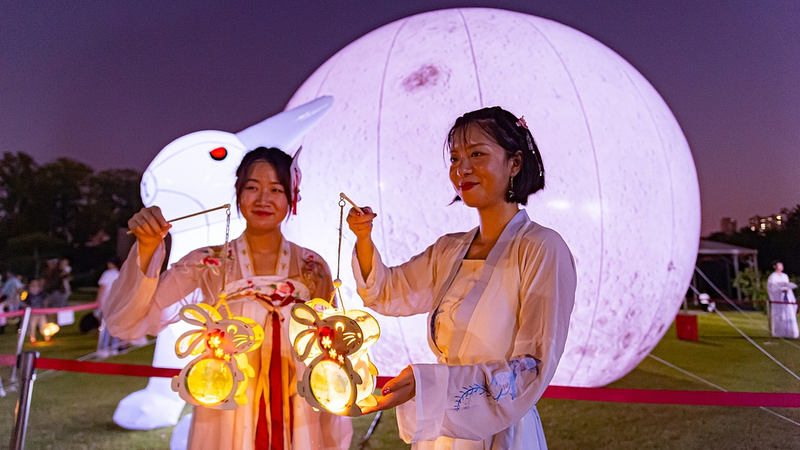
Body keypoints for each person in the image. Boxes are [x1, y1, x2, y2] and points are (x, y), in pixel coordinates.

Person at [347, 107, 577, 449]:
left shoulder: (542, 248)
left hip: (502, 431)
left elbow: (531, 368)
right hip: (441, 431)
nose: (462, 169)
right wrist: (363, 239)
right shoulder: (449, 249)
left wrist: (430, 384)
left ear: (514, 163)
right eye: (455, 158)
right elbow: (386, 291)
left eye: (477, 154)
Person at [103, 147, 352, 450]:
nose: (263, 199)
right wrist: (147, 248)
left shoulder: (314, 267)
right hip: (227, 394)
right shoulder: (208, 261)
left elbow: (329, 345)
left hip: (295, 399)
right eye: (252, 188)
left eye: (276, 189)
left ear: (292, 196)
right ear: (237, 193)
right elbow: (129, 319)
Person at [95, 256, 122, 357]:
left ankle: (104, 348)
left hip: (107, 302)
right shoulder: (120, 274)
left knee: (105, 326)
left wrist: (98, 300)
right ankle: (114, 347)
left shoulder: (107, 274)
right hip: (116, 302)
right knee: (114, 325)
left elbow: (103, 287)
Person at [767, 261, 799, 339]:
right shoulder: (773, 277)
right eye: (779, 265)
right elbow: (772, 288)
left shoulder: (785, 276)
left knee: (789, 315)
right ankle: (780, 332)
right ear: (775, 266)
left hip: (787, 298)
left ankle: (791, 332)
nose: (781, 266)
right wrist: (780, 290)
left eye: (782, 265)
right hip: (779, 299)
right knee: (780, 316)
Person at [24, 278, 49, 343]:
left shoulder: (41, 294)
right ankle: (33, 339)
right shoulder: (28, 295)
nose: (35, 287)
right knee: (32, 326)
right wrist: (30, 308)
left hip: (41, 313)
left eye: (36, 285)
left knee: (44, 325)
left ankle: (47, 337)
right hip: (33, 314)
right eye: (33, 285)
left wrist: (44, 308)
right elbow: (25, 304)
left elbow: (45, 301)